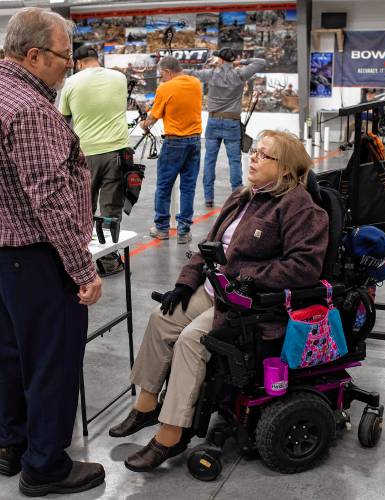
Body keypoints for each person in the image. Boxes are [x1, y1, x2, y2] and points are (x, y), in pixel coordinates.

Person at [108, 130, 329, 472]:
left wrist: (245, 277)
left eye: (263, 155)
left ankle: (171, 433)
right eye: (254, 151)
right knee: (161, 318)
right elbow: (210, 246)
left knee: (191, 341)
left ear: (285, 169)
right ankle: (147, 404)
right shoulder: (245, 196)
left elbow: (304, 267)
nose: (253, 158)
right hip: (218, 290)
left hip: (252, 305)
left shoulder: (300, 208)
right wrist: (185, 283)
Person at [0, 8, 105, 497]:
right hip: (36, 258)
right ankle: (45, 467)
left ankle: (13, 445)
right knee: (52, 361)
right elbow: (50, 197)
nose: (70, 64)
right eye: (65, 55)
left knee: (13, 354)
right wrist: (83, 268)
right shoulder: (32, 110)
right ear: (35, 54)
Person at [59, 44, 129, 277]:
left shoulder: (71, 83)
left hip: (85, 155)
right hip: (117, 152)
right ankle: (109, 262)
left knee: (83, 208)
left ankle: (83, 261)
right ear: (96, 59)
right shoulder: (120, 78)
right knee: (111, 210)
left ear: (78, 63)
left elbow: (63, 119)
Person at [185, 48, 265, 207]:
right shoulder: (240, 74)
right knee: (234, 161)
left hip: (213, 121)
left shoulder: (211, 74)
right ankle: (237, 197)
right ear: (232, 59)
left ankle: (208, 198)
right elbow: (261, 62)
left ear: (220, 60)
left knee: (209, 160)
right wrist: (240, 62)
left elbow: (189, 72)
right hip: (232, 122)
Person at [140, 55, 203, 244]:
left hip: (175, 143)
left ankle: (161, 229)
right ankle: (183, 231)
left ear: (167, 71)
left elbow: (153, 118)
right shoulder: (196, 83)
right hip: (195, 141)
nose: (161, 78)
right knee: (188, 187)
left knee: (164, 186)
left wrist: (144, 124)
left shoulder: (165, 88)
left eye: (162, 74)